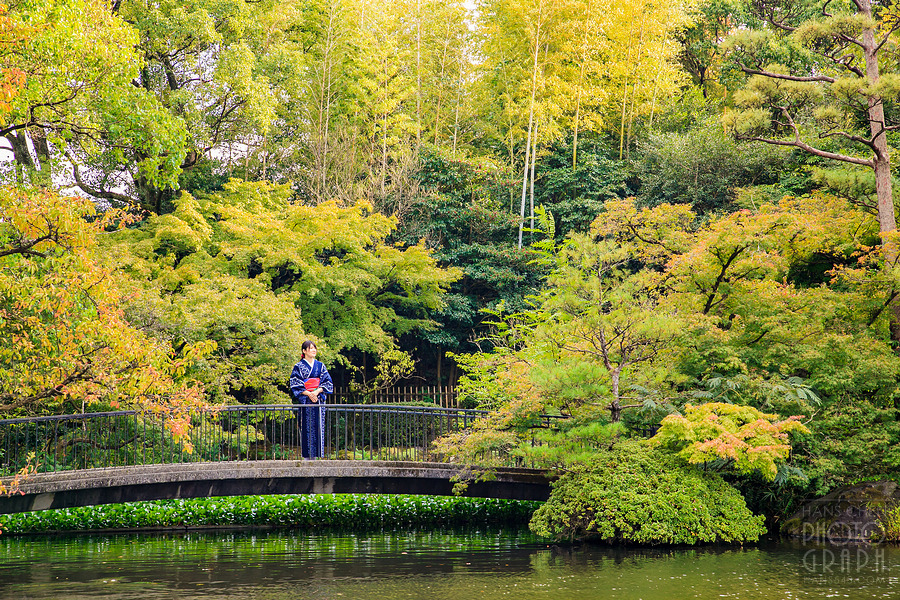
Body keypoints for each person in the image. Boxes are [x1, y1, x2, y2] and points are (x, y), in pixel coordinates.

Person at [289, 340, 334, 459]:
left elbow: (327, 382)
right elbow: (295, 383)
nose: (314, 350)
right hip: (306, 401)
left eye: (314, 348)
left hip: (318, 400)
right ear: (304, 351)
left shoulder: (320, 366)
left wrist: (316, 392)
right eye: (311, 348)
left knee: (319, 427)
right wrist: (308, 393)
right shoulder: (298, 366)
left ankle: (317, 456)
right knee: (306, 427)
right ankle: (307, 457)